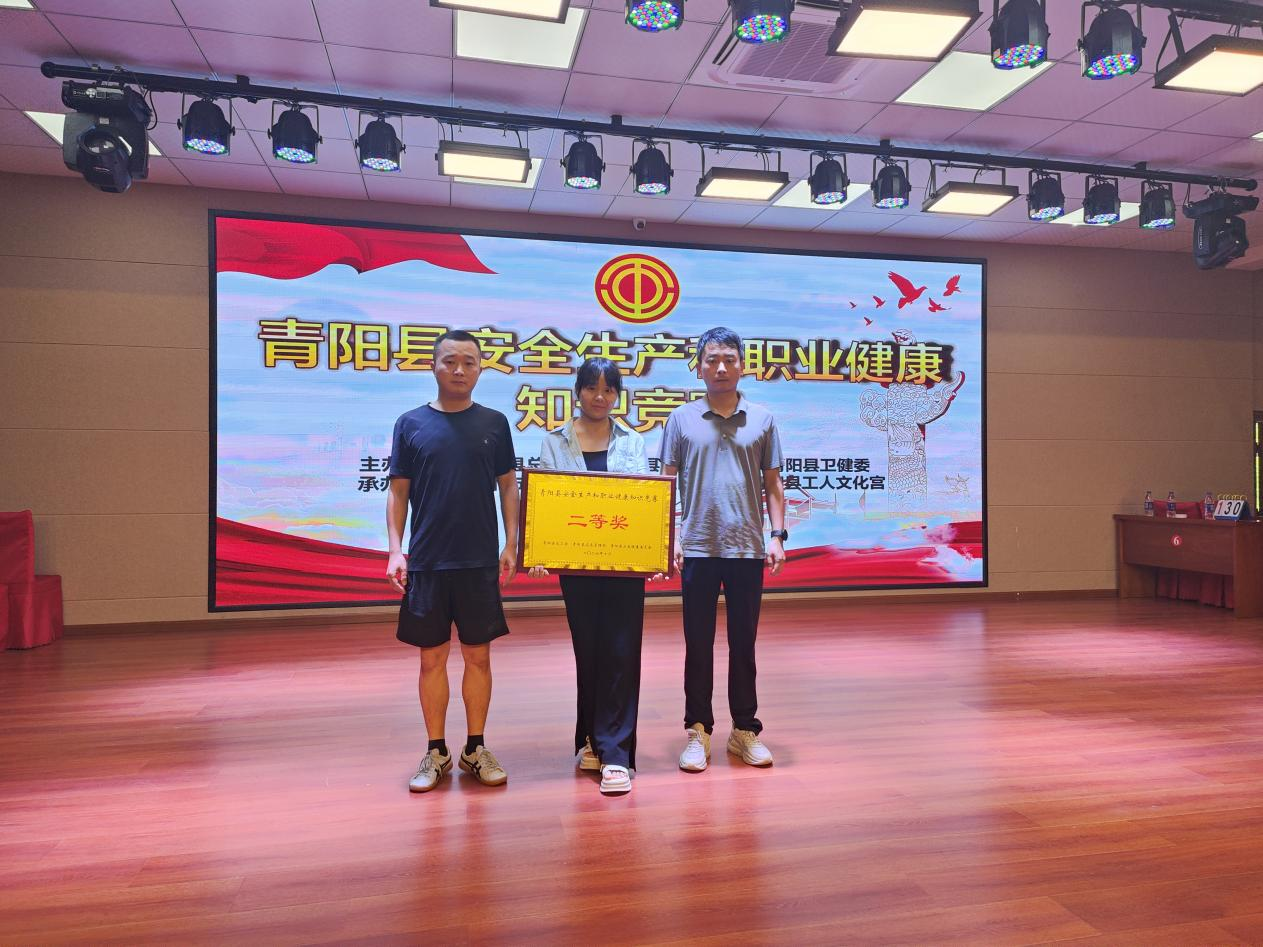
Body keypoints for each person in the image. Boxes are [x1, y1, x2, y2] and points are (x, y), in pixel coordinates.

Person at [386, 329, 519, 793]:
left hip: (478, 561)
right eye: (450, 361)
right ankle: (436, 750)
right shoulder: (410, 423)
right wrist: (395, 549)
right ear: (433, 365)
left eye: (469, 362)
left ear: (480, 369)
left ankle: (475, 748)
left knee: (479, 657)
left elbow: (508, 486)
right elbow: (398, 491)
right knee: (432, 659)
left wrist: (511, 543)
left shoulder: (495, 423)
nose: (459, 370)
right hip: (427, 562)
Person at [659, 326, 787, 773]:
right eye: (711, 359)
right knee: (697, 644)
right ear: (699, 367)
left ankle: (744, 730)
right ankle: (698, 730)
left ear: (742, 366)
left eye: (729, 359)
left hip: (747, 548)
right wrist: (670, 537)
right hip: (697, 546)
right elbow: (666, 483)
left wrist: (777, 535)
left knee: (743, 645)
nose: (720, 367)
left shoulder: (763, 419)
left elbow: (773, 484)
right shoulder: (680, 419)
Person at [533, 357, 652, 796]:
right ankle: (591, 738)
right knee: (589, 651)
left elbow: (645, 503)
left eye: (608, 389)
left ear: (617, 395)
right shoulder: (555, 441)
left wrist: (655, 551)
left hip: (625, 565)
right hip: (577, 565)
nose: (600, 397)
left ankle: (616, 753)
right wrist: (540, 549)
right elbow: (546, 503)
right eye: (591, 388)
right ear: (578, 391)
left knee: (621, 652)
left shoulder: (633, 442)